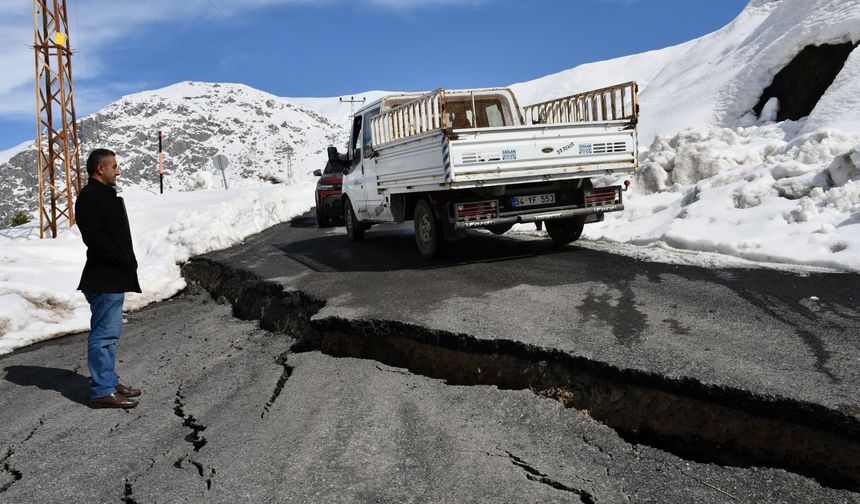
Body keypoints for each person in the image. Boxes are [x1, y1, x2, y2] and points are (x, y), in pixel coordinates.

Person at [75, 148, 142, 408]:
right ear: (100, 169)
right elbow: (94, 237)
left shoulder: (104, 194)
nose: (118, 170)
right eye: (114, 166)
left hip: (112, 276)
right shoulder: (90, 196)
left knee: (110, 334)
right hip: (104, 277)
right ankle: (102, 390)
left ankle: (109, 381)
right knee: (103, 336)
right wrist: (121, 257)